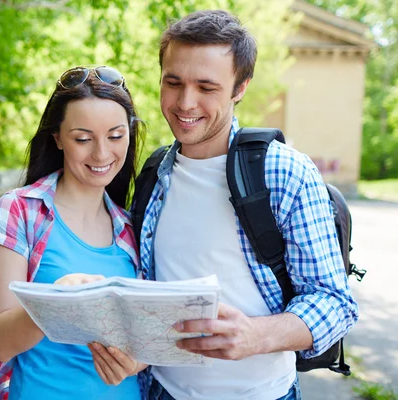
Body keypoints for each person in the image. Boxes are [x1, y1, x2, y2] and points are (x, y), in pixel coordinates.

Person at [132, 10, 358, 400]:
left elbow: (335, 304)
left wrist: (257, 335)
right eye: (173, 82)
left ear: (240, 88)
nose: (186, 102)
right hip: (160, 391)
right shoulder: (154, 172)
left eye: (207, 87)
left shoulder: (283, 171)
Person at [0, 66, 147, 400]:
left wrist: (136, 361)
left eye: (116, 136)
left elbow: (146, 341)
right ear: (58, 138)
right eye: (83, 138)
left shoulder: (132, 229)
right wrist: (56, 300)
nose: (101, 153)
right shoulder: (19, 212)